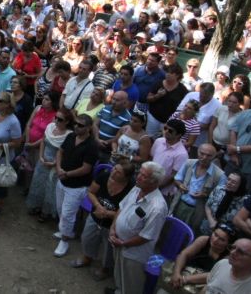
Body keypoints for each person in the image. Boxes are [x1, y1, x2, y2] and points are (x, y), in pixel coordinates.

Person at [110, 160, 168, 294]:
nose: (138, 177)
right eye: (139, 173)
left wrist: (123, 243)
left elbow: (146, 237)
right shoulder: (137, 188)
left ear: (154, 182)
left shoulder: (157, 207)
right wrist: (113, 229)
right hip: (118, 242)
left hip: (134, 253)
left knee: (131, 284)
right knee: (119, 275)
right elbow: (122, 207)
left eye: (144, 176)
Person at [52, 112, 99, 257]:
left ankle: (64, 242)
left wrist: (67, 173)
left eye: (81, 125)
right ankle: (66, 231)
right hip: (62, 180)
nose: (77, 127)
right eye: (76, 124)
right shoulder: (71, 136)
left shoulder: (91, 145)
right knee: (61, 210)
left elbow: (86, 168)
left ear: (89, 128)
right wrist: (59, 168)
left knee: (68, 214)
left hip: (77, 186)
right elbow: (60, 152)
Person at [27, 107, 71, 222]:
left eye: (60, 119)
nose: (56, 121)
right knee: (39, 184)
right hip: (43, 160)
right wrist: (41, 157)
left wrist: (54, 163)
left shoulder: (69, 135)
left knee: (50, 188)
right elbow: (43, 141)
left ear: (67, 121)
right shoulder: (50, 127)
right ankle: (36, 206)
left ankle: (45, 211)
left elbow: (65, 153)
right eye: (56, 117)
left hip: (55, 165)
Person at [164, 223, 236, 291]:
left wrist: (185, 279)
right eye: (215, 234)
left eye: (222, 239)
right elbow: (184, 254)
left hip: (203, 283)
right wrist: (176, 273)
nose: (215, 240)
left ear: (228, 244)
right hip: (186, 272)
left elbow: (213, 275)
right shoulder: (203, 240)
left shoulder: (228, 258)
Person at [171, 143, 225, 230]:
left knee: (190, 232)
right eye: (202, 153)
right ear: (197, 152)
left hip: (199, 210)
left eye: (208, 156)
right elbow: (177, 179)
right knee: (172, 229)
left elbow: (219, 198)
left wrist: (205, 195)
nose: (204, 157)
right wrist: (180, 185)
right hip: (180, 204)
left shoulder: (220, 175)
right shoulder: (189, 163)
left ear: (214, 157)